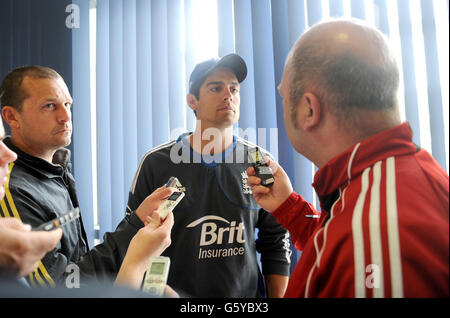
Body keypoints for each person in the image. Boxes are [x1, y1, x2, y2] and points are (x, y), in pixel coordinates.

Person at [247, 19, 449, 297]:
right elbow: (338, 249)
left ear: (308, 109)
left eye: (283, 96)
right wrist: (289, 208)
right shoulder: (388, 183)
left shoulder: (380, 235)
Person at [127, 54, 291, 297]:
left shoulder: (259, 161)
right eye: (216, 88)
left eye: (234, 89)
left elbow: (276, 240)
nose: (228, 95)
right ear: (192, 101)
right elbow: (134, 242)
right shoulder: (156, 163)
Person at [0, 65, 176, 290]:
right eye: (49, 106)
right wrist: (135, 260)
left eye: (67, 105)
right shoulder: (10, 189)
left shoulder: (56, 168)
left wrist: (136, 222)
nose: (65, 117)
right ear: (12, 117)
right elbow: (61, 289)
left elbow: (77, 267)